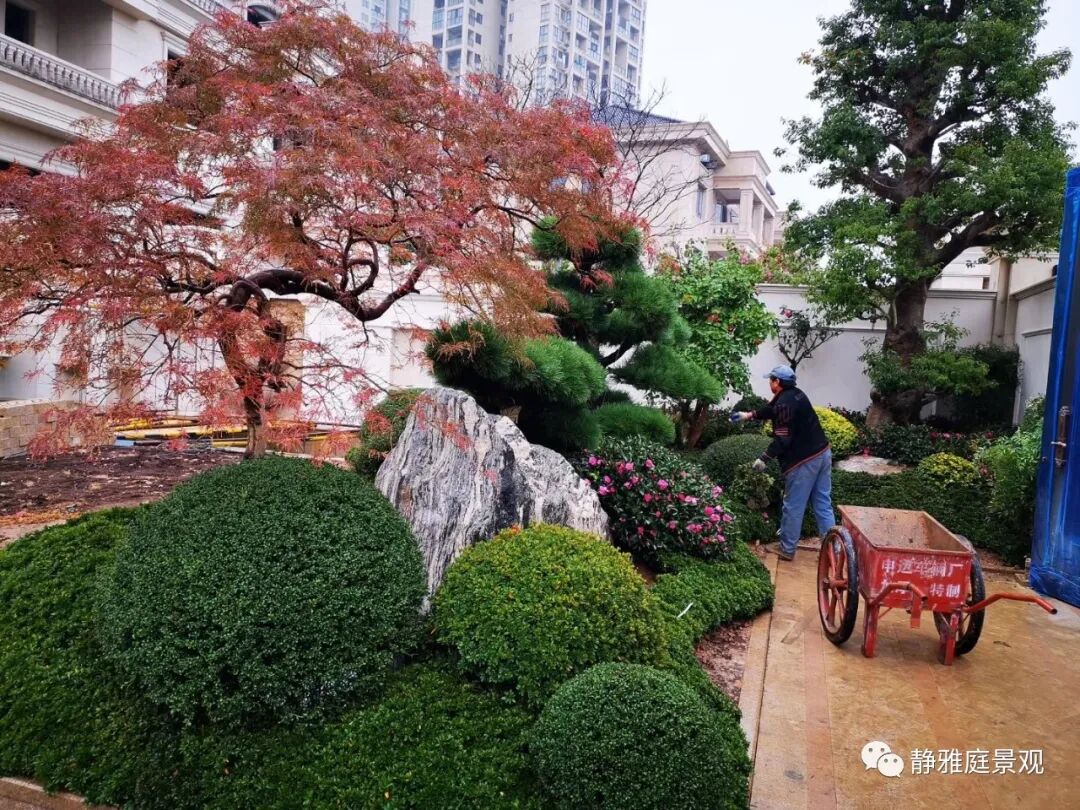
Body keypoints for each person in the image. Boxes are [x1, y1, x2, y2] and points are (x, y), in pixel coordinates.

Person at [732, 365, 836, 561]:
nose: (769, 383)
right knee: (823, 503)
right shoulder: (796, 394)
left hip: (804, 461)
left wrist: (764, 458)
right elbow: (772, 409)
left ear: (777, 382)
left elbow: (783, 440)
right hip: (822, 453)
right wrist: (750, 415)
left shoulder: (785, 405)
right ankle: (833, 551)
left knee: (793, 505)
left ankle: (787, 549)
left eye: (770, 380)